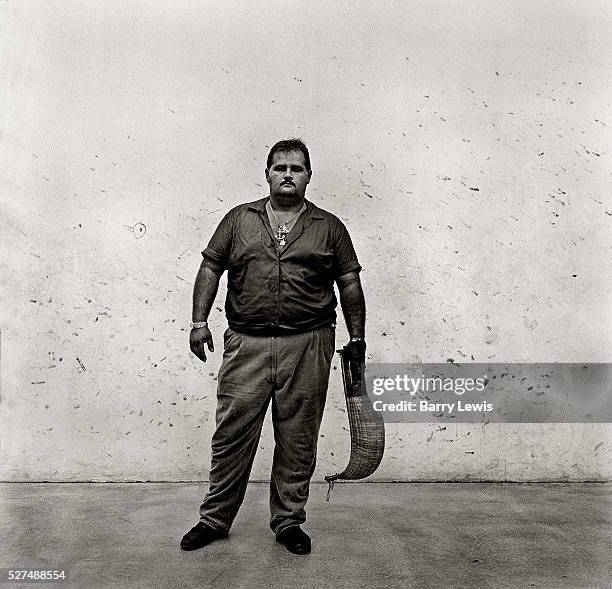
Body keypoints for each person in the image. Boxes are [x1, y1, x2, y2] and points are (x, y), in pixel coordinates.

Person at [180, 138, 366, 555]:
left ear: (308, 176)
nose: (287, 174)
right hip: (246, 342)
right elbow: (211, 265)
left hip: (309, 342)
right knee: (232, 434)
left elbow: (349, 282)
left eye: (296, 168)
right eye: (279, 167)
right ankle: (214, 518)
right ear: (266, 174)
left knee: (298, 437)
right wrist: (198, 322)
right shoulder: (238, 220)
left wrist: (357, 339)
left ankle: (288, 522)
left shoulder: (329, 227)